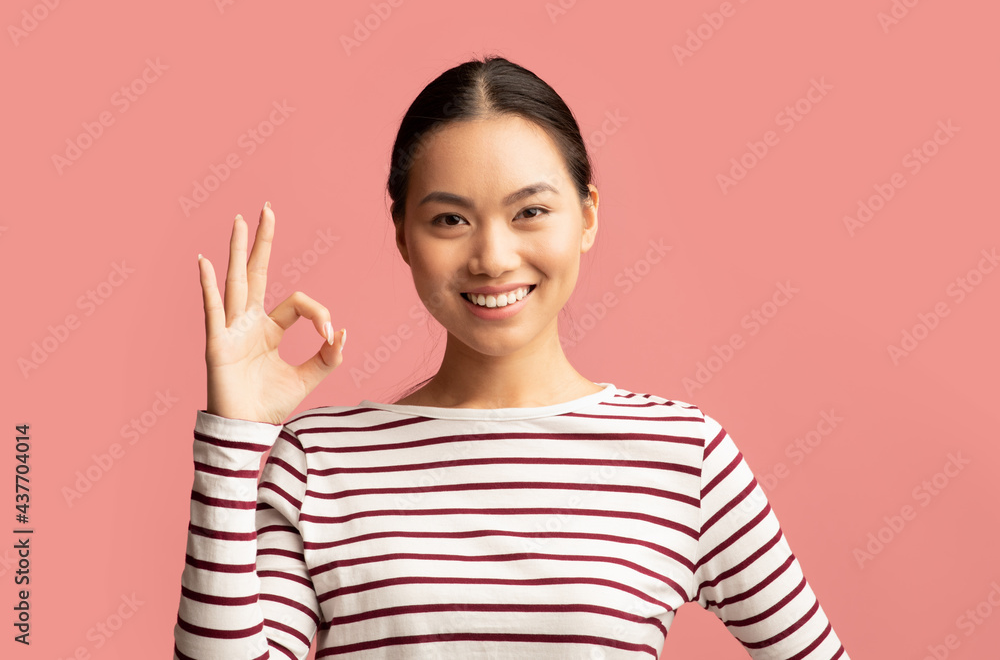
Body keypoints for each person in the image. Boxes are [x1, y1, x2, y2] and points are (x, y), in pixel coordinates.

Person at [173, 54, 849, 659]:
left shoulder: (683, 454)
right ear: (403, 236)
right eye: (449, 219)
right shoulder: (319, 460)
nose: (493, 257)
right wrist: (235, 440)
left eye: (530, 212)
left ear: (586, 217)